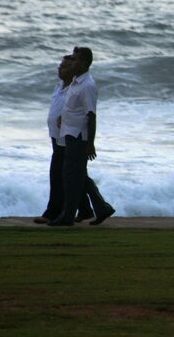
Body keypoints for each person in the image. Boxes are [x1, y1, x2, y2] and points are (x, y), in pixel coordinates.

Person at [49, 47, 115, 226]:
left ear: (85, 63)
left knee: (72, 177)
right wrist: (63, 117)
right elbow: (72, 107)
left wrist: (90, 144)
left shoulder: (87, 86)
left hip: (79, 137)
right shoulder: (76, 81)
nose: (72, 63)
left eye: (76, 60)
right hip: (69, 134)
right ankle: (101, 208)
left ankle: (68, 216)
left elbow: (91, 115)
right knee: (77, 176)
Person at [33, 55, 94, 224]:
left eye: (65, 67)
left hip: (69, 137)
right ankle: (86, 209)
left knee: (61, 174)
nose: (60, 69)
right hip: (56, 136)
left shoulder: (76, 88)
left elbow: (86, 114)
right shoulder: (60, 85)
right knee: (72, 175)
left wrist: (89, 142)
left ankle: (53, 212)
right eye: (60, 66)